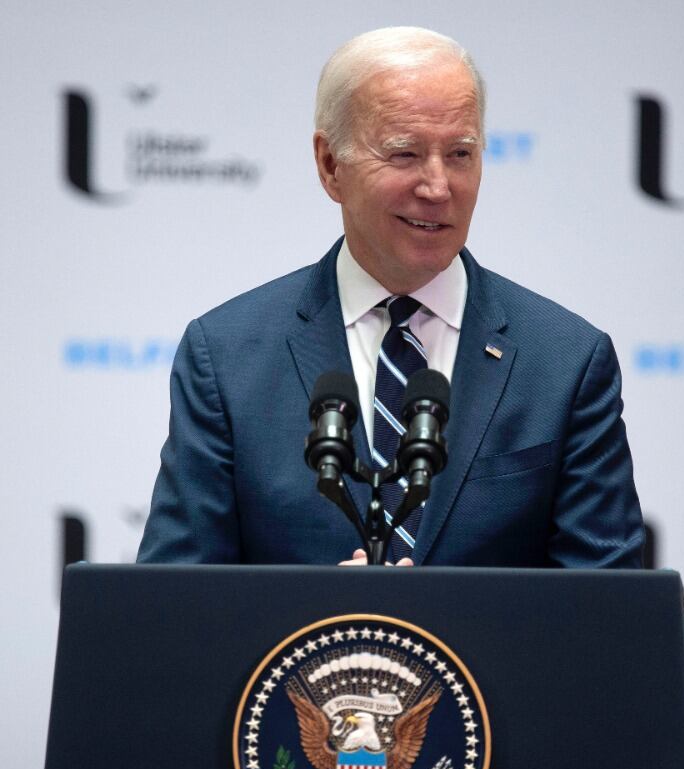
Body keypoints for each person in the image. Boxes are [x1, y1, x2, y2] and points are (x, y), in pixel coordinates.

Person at [137, 27, 643, 568]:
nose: (438, 186)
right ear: (331, 166)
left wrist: (430, 630)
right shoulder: (227, 356)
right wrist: (321, 621)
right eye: (404, 154)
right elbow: (175, 608)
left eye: (460, 154)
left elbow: (606, 615)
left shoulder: (565, 362)